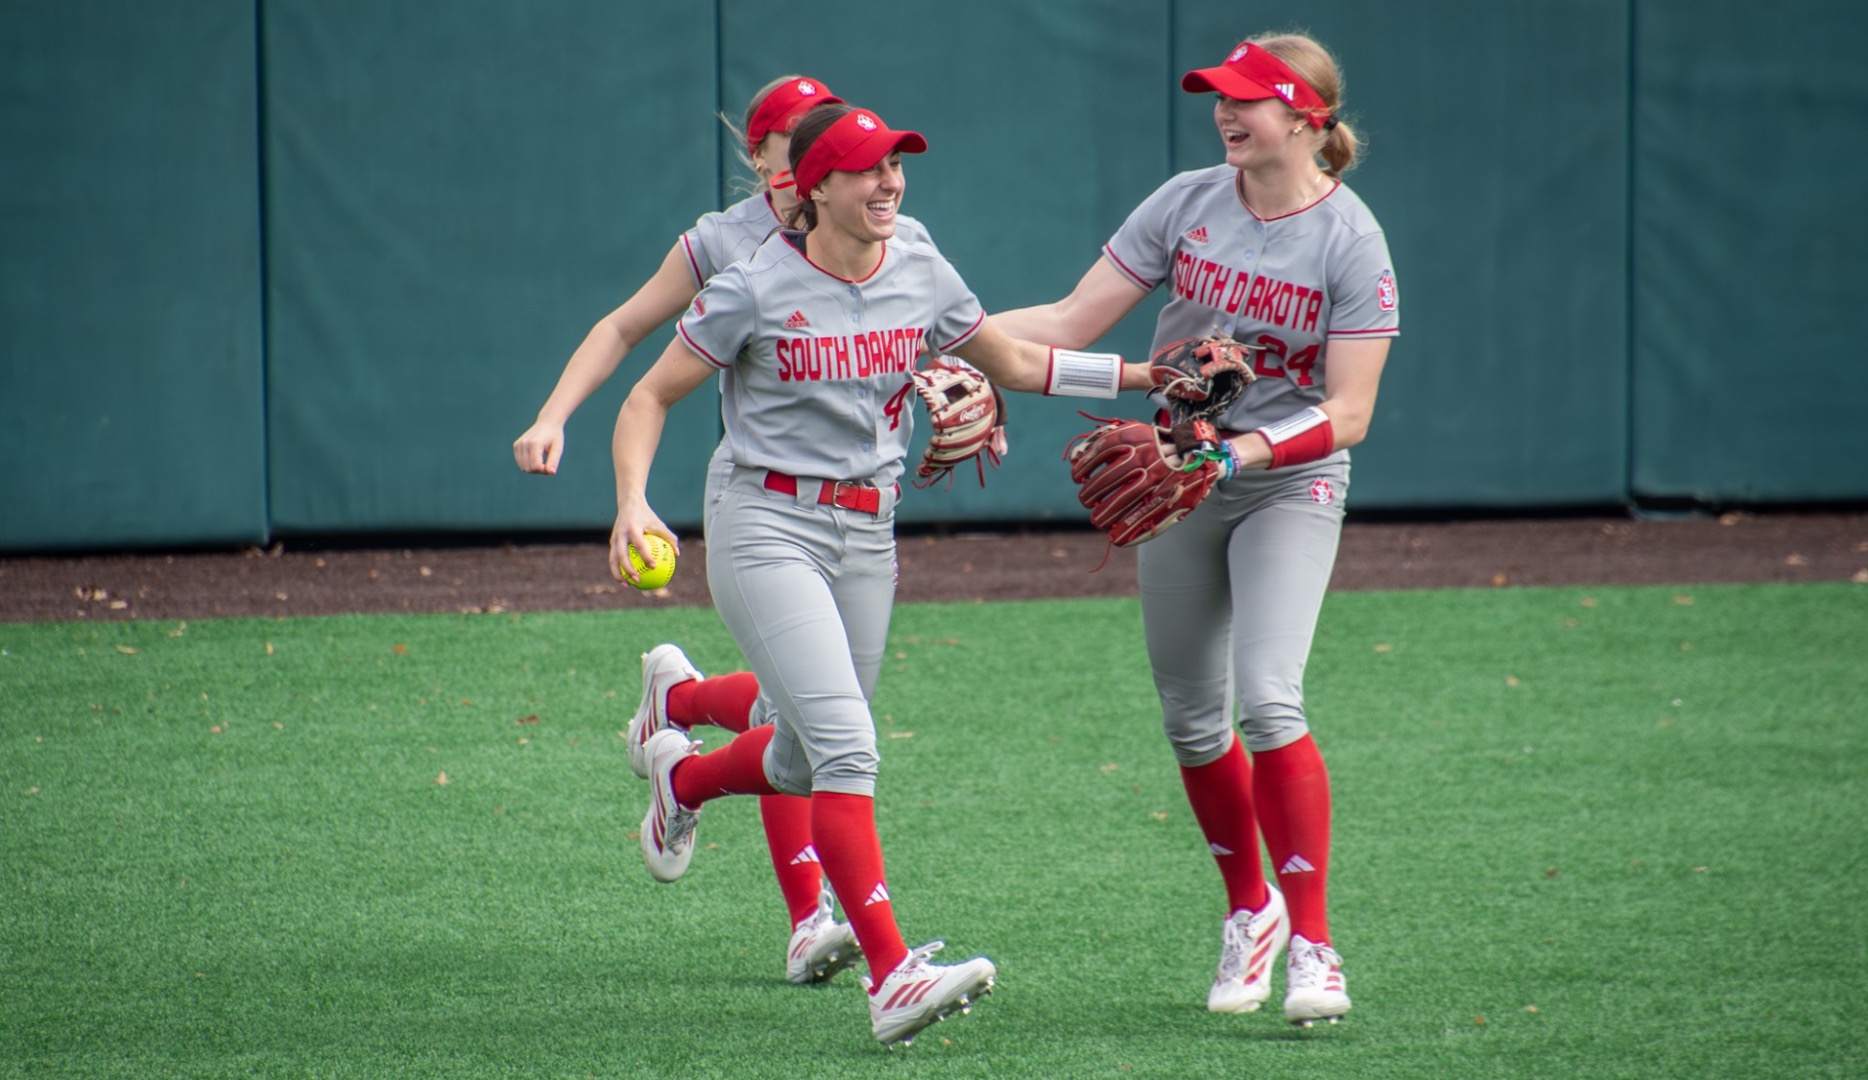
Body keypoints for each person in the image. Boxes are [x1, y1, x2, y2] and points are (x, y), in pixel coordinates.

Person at [609, 101, 1154, 1045]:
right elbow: (649, 395)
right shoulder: (752, 285)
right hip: (764, 524)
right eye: (866, 169)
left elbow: (1018, 361)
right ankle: (894, 976)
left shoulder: (921, 267)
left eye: (897, 166)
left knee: (797, 756)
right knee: (850, 750)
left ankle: (682, 781)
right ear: (814, 185)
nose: (890, 182)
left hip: (869, 534)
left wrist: (1153, 379)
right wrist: (632, 503)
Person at [994, 32, 1397, 1026]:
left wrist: (1241, 455)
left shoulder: (1351, 238)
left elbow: (1349, 414)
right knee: (1190, 717)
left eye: (1247, 100)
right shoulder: (1185, 201)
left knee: (1267, 700)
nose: (1224, 113)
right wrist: (962, 346)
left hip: (1285, 485)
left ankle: (1313, 943)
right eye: (1218, 96)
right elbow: (1073, 319)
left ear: (1303, 117)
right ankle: (1247, 911)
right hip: (1177, 478)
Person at [515, 76, 907, 987]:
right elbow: (625, 332)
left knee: (801, 714)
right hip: (762, 499)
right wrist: (555, 415)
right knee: (811, 716)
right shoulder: (728, 240)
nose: (803, 163)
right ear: (762, 157)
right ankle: (810, 917)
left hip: (853, 506)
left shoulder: (874, 232)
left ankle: (680, 719)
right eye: (786, 148)